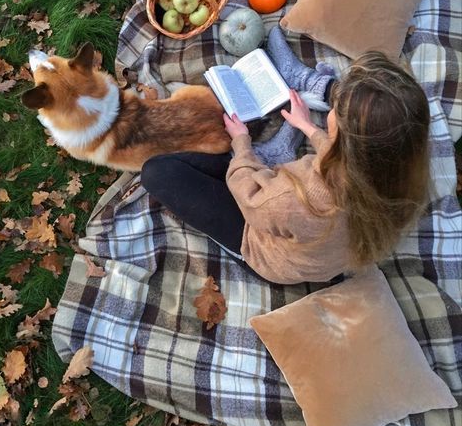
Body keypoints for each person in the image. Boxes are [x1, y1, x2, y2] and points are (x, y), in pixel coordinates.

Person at [141, 37, 430, 285]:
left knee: (157, 171)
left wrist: (241, 141)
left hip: (266, 247)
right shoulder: (403, 169)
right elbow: (352, 154)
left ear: (343, 135)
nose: (329, 114)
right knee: (200, 163)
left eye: (334, 112)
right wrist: (309, 128)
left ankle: (268, 162)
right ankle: (286, 127)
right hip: (321, 247)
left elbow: (249, 196)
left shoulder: (292, 196)